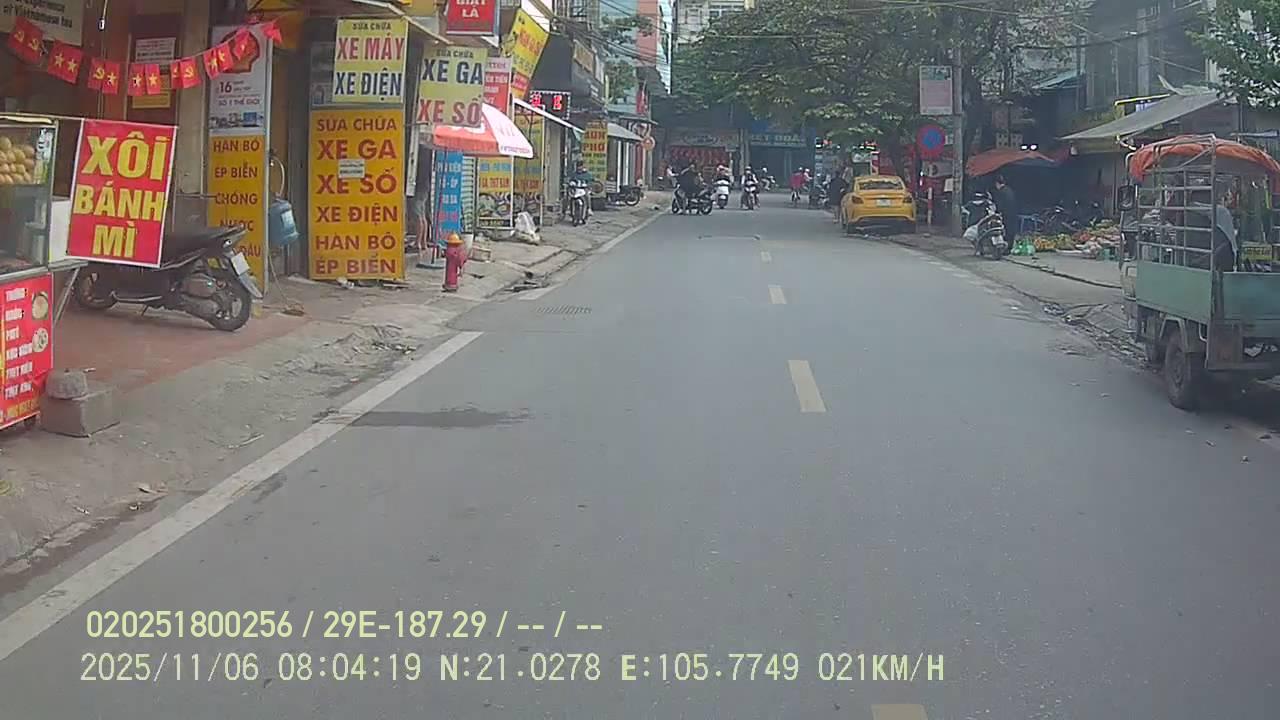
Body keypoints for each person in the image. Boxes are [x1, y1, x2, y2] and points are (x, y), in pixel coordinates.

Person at [992, 175, 1018, 250]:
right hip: (1013, 213)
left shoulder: (1001, 192)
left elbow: (1000, 204)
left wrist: (997, 212)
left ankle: (1006, 248)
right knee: (1011, 231)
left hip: (1006, 214)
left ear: (997, 184)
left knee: (1006, 231)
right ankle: (1009, 247)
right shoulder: (1009, 190)